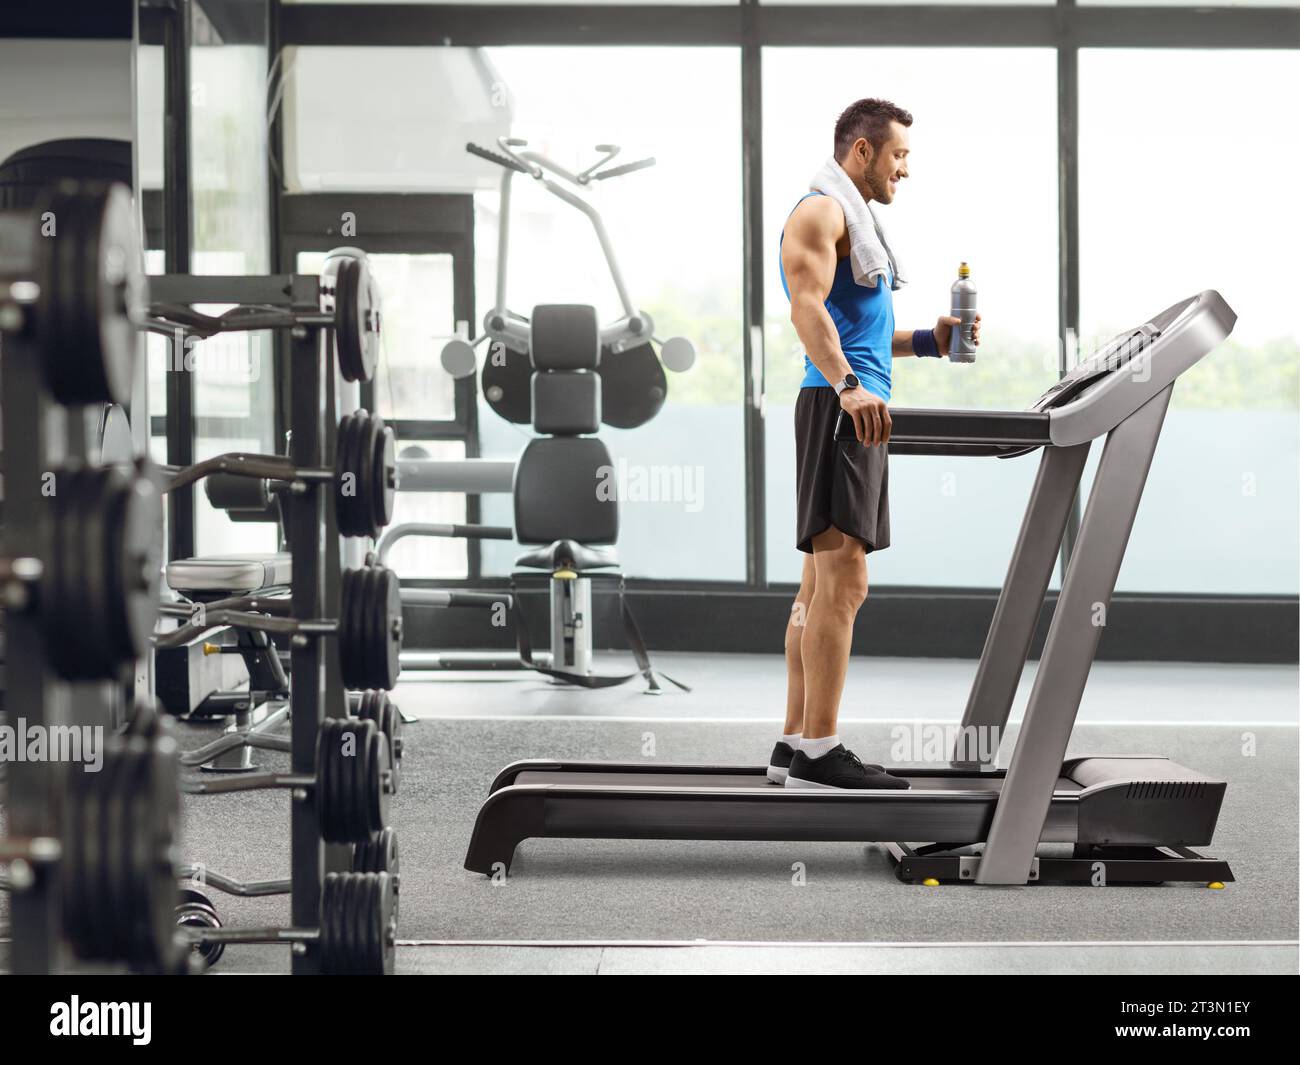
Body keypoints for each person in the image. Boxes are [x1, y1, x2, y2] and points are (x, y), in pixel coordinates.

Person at [770, 98, 981, 790]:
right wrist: (850, 386)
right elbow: (806, 310)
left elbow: (851, 327)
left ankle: (795, 742)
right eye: (898, 155)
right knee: (846, 581)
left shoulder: (854, 225)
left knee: (817, 585)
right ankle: (821, 754)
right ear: (861, 152)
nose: (905, 170)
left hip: (842, 405)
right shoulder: (821, 212)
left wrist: (928, 341)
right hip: (841, 411)